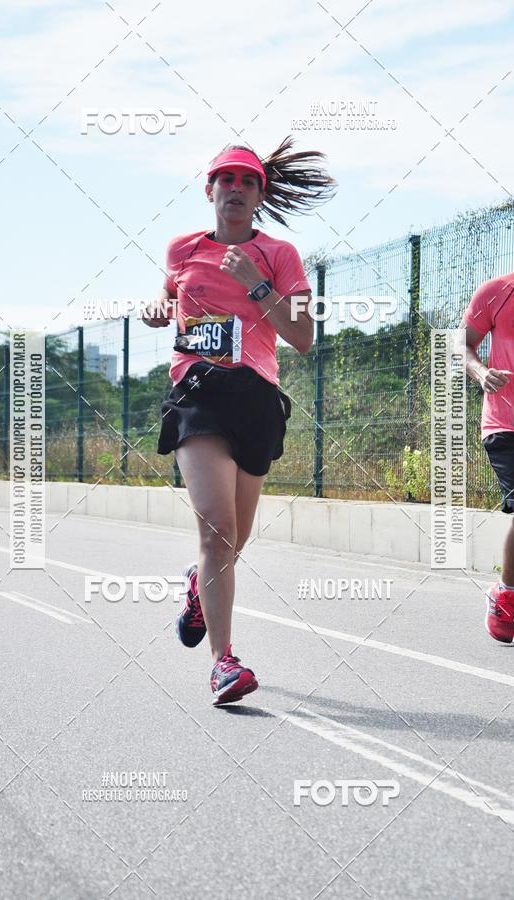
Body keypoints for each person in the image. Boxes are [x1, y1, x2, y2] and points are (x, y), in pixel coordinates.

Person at [143, 137, 335, 703]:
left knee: (234, 542)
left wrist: (256, 282)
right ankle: (223, 663)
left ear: (259, 195)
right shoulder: (182, 248)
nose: (234, 189)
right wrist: (157, 309)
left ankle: (198, 590)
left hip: (256, 397)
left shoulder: (280, 255)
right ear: (210, 190)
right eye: (225, 180)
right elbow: (167, 296)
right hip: (198, 392)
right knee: (217, 531)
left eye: (246, 181)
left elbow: (301, 338)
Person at [463, 200, 514, 645]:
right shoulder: (496, 291)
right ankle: (504, 593)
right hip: (507, 424)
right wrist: (481, 372)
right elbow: (466, 344)